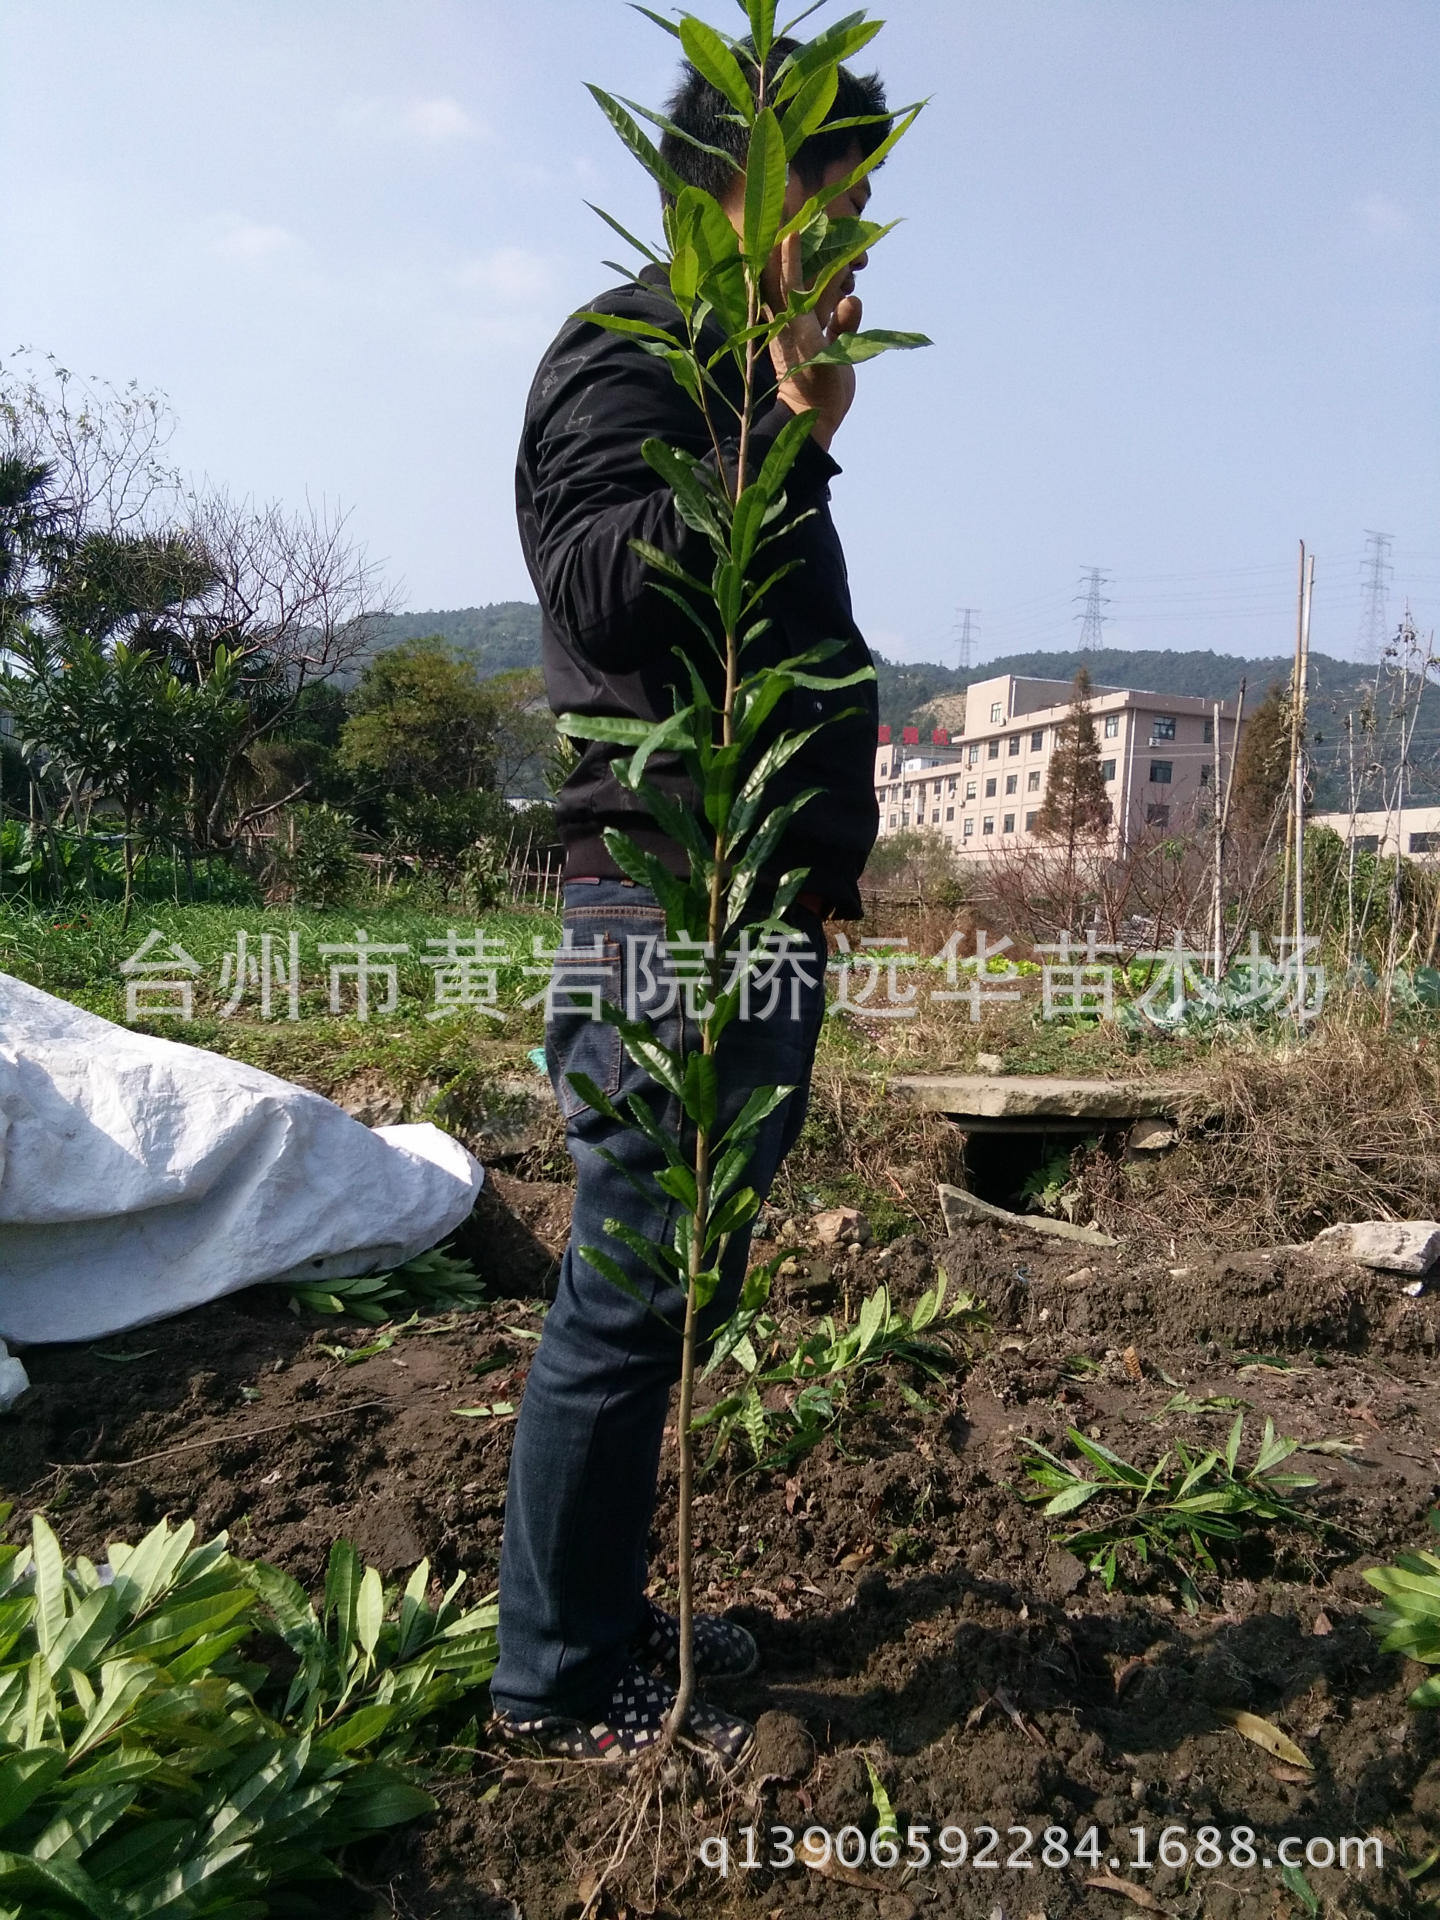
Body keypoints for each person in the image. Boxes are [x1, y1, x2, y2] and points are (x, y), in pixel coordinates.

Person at [488, 41, 891, 1765]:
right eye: (833, 194)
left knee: (674, 1281)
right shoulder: (634, 351)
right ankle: (556, 1684)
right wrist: (777, 435)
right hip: (672, 899)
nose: (858, 237)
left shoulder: (729, 375)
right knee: (632, 1285)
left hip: (744, 898)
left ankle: (603, 1624)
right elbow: (592, 580)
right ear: (734, 199)